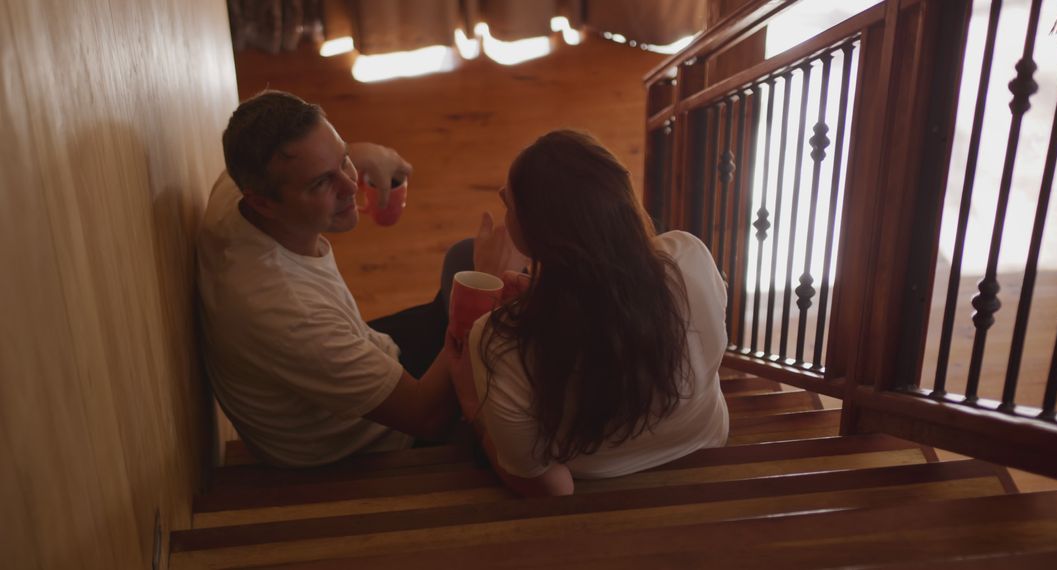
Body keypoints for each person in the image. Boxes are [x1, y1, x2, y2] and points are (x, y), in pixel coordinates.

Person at [196, 90, 521, 467]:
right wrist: (484, 287)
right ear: (262, 203)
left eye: (344, 160)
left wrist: (368, 154)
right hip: (376, 441)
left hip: (371, 355)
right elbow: (425, 417)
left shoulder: (237, 189)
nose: (351, 186)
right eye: (321, 183)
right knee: (506, 301)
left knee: (464, 256)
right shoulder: (290, 314)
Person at [448, 130, 730, 497]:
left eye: (510, 204)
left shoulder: (501, 339)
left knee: (458, 258)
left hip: (599, 488)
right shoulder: (689, 256)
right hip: (708, 447)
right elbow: (626, 310)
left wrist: (471, 402)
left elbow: (551, 488)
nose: (503, 199)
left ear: (537, 236)